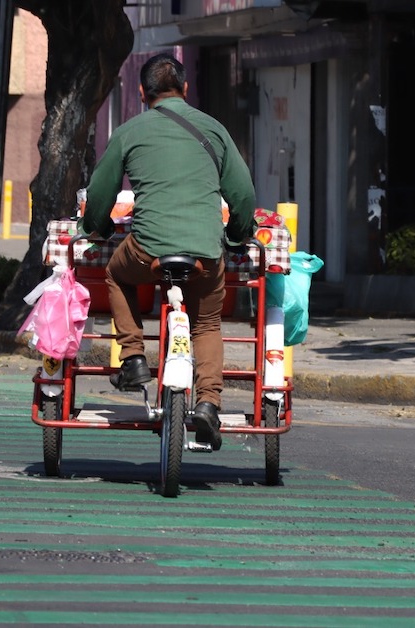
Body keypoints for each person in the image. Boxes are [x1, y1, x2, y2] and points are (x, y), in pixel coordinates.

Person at [78, 53, 256, 451]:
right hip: (205, 254)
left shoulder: (129, 131)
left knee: (117, 275)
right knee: (206, 323)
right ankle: (209, 403)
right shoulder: (214, 129)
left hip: (147, 252)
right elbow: (243, 194)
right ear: (185, 89)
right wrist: (237, 236)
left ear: (142, 93)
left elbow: (101, 194)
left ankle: (134, 359)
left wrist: (99, 228)